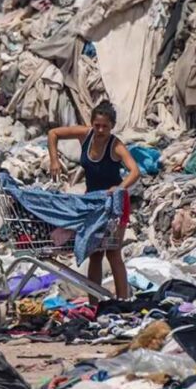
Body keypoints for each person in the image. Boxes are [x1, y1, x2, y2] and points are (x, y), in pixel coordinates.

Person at [47, 100, 141, 302]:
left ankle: (122, 302)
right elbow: (53, 133)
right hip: (92, 204)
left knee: (113, 252)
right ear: (91, 123)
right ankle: (94, 304)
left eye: (105, 126)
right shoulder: (85, 135)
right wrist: (54, 160)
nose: (100, 130)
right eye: (97, 125)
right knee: (95, 254)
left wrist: (120, 187)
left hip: (114, 205)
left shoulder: (116, 146)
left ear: (112, 126)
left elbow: (134, 171)